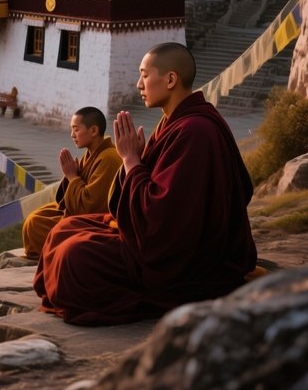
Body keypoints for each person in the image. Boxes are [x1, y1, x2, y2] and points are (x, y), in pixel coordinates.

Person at [33, 42, 257, 325]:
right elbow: (145, 198)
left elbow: (162, 221)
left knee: (73, 257)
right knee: (63, 229)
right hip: (156, 238)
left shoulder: (195, 131)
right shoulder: (175, 122)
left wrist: (130, 160)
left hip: (187, 261)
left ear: (171, 79)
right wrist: (136, 161)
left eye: (144, 75)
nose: (138, 84)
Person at [21, 106, 121, 259]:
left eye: (76, 129)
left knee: (35, 224)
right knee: (37, 215)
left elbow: (90, 206)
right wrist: (70, 177)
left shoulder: (109, 158)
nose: (72, 135)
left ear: (93, 131)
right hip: (77, 211)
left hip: (95, 221)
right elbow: (69, 198)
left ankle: (45, 254)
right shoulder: (92, 154)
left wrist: (72, 176)